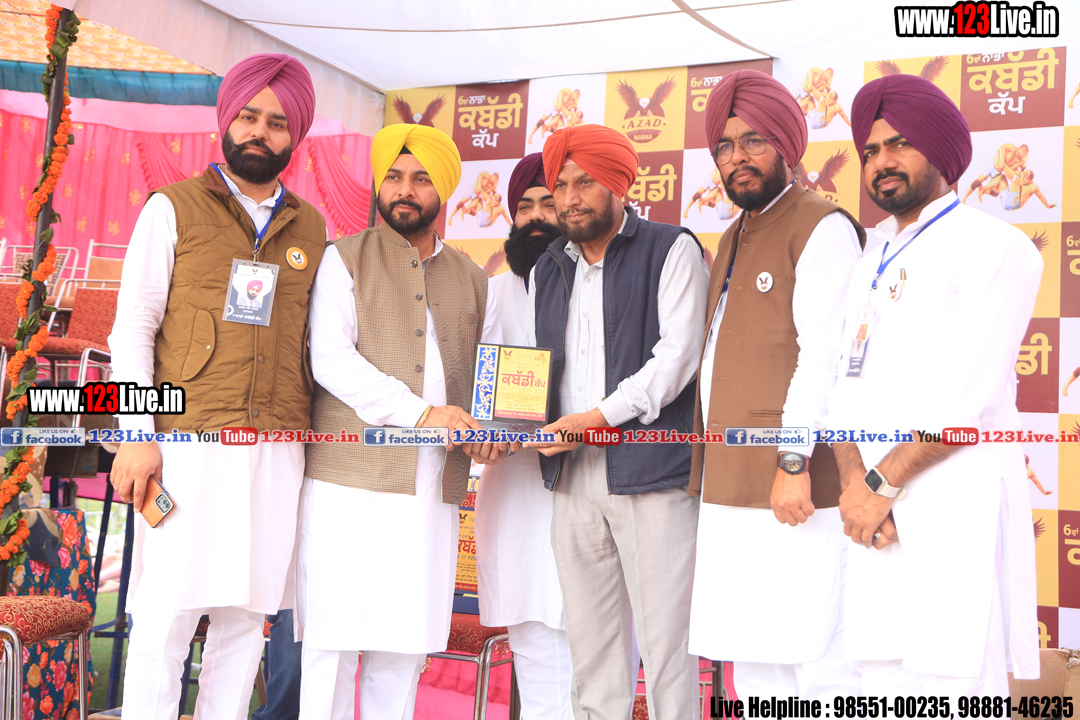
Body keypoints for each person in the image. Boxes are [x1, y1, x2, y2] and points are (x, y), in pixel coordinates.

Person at [107, 53, 324, 719]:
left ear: (295, 136)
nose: (260, 131)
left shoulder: (311, 227)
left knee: (246, 621)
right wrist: (136, 437)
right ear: (225, 122)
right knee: (166, 614)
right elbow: (132, 330)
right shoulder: (170, 209)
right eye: (249, 117)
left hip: (277, 452)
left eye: (278, 122)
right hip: (185, 447)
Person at [829, 72, 1041, 697]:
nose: (881, 162)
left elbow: (965, 402)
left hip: (952, 505)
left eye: (900, 144)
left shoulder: (997, 247)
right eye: (870, 150)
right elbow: (842, 384)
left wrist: (879, 486)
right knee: (877, 683)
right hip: (875, 517)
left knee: (952, 689)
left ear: (941, 152)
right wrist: (855, 485)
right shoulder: (870, 256)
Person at [296, 123, 502, 719]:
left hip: (428, 490)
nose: (404, 189)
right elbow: (330, 359)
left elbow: (485, 381)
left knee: (404, 647)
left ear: (445, 190)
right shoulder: (343, 258)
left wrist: (488, 432)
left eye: (420, 178)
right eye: (393, 176)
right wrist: (423, 413)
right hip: (345, 482)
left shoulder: (474, 280)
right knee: (331, 644)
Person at [687, 69, 864, 699]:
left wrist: (793, 463)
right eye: (725, 146)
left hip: (795, 484)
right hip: (729, 483)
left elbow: (824, 357)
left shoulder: (822, 225)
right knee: (754, 661)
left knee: (815, 664)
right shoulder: (734, 233)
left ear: (786, 144)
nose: (737, 158)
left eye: (753, 141)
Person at [524, 124, 709, 720]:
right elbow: (537, 370)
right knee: (592, 649)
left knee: (667, 648)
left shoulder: (671, 248)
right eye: (560, 186)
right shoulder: (548, 268)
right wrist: (514, 428)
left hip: (651, 473)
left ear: (618, 183)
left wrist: (595, 419)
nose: (570, 198)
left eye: (585, 182)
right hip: (571, 476)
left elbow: (677, 359)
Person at [475, 152, 573, 720]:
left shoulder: (598, 288)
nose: (536, 217)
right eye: (525, 207)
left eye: (548, 204)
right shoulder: (490, 293)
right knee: (534, 646)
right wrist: (482, 432)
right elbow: (470, 386)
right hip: (515, 489)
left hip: (588, 485)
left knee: (595, 647)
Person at [961, 142, 1027, 203]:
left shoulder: (1018, 160)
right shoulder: (1013, 148)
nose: (1024, 156)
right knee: (978, 182)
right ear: (1021, 149)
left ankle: (981, 191)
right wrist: (1001, 160)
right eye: (1024, 153)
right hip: (992, 165)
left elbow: (1022, 170)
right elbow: (1002, 147)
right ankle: (964, 198)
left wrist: (1022, 163)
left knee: (995, 193)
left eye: (1025, 155)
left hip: (998, 172)